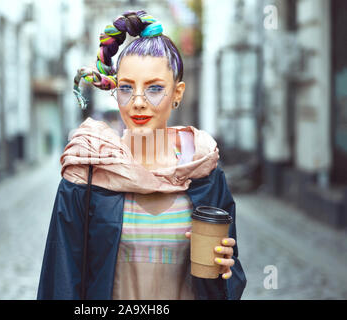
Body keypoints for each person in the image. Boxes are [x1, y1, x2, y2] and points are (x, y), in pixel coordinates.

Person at [37, 10, 246, 300]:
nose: (138, 102)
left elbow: (225, 282)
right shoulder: (87, 172)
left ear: (178, 93)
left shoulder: (204, 173)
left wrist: (224, 271)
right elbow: (60, 281)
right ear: (114, 91)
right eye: (126, 88)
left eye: (155, 88)